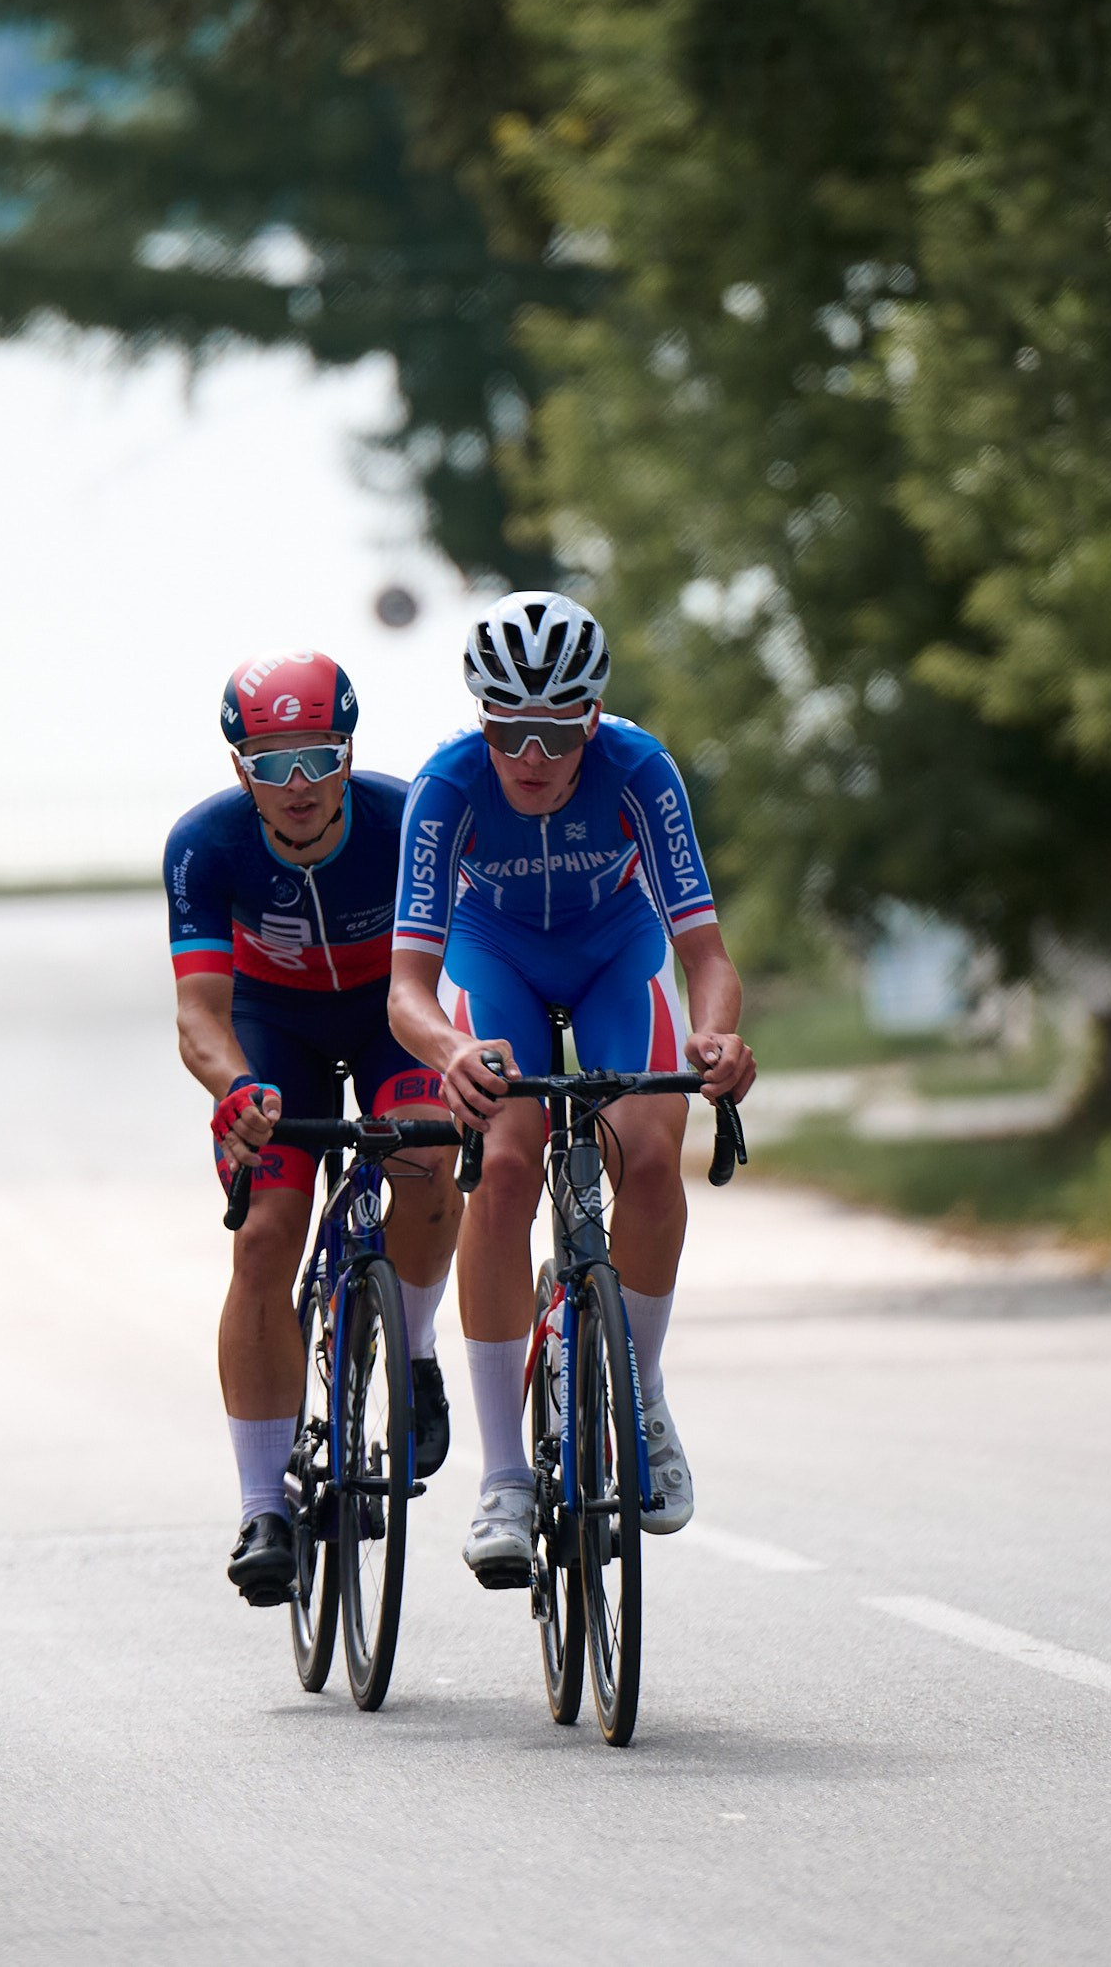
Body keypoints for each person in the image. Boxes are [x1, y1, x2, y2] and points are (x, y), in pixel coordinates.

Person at [386, 592, 755, 1587]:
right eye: (508, 726)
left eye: (557, 728)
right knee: (502, 1169)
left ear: (593, 714)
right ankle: (504, 1477)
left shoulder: (639, 767)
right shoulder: (445, 787)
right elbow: (409, 992)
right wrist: (449, 1054)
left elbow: (704, 954)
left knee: (647, 1146)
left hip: (610, 951)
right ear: (481, 717)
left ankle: (637, 1392)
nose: (534, 752)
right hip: (494, 954)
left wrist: (717, 1034)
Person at [165, 650, 461, 1607]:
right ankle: (263, 1508)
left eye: (318, 758)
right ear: (239, 765)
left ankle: (412, 1357)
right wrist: (238, 1089)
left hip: (390, 1019)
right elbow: (200, 1016)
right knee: (262, 1239)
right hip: (272, 1033)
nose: (298, 786)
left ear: (348, 752)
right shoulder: (205, 845)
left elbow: (459, 961)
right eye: (272, 762)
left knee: (426, 1149)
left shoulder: (405, 816)